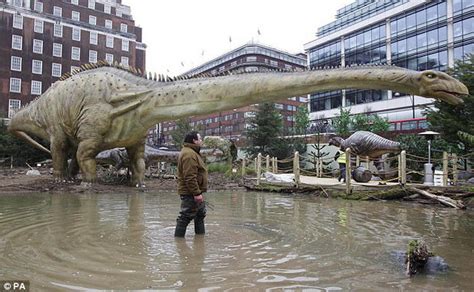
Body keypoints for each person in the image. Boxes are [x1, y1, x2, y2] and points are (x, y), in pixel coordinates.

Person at [174, 131, 208, 238]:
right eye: (200, 138)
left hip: (195, 191)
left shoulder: (192, 152)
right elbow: (189, 177)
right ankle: (179, 243)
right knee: (185, 217)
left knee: (200, 215)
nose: (201, 141)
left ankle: (200, 240)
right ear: (194, 140)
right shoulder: (189, 154)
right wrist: (197, 193)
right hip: (191, 192)